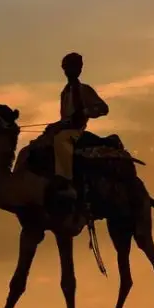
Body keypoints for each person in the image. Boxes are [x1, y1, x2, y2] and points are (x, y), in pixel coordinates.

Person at [50, 52, 109, 200]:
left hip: (76, 131)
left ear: (79, 69)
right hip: (66, 128)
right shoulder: (65, 92)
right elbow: (65, 118)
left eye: (72, 67)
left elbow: (103, 108)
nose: (68, 71)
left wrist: (85, 112)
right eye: (66, 68)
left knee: (61, 140)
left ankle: (66, 181)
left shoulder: (84, 90)